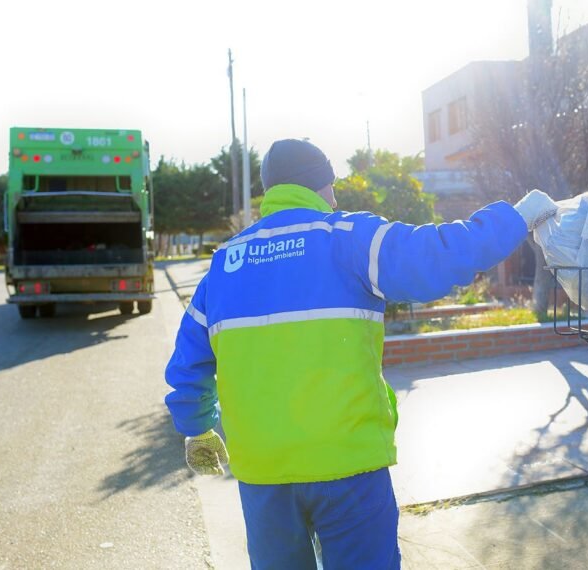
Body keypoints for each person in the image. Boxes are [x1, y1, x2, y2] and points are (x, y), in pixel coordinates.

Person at [164, 138, 557, 569]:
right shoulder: (349, 239)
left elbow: (188, 364)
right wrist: (515, 218)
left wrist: (197, 426)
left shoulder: (225, 264)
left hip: (263, 474)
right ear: (323, 185)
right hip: (347, 466)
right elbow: (440, 254)